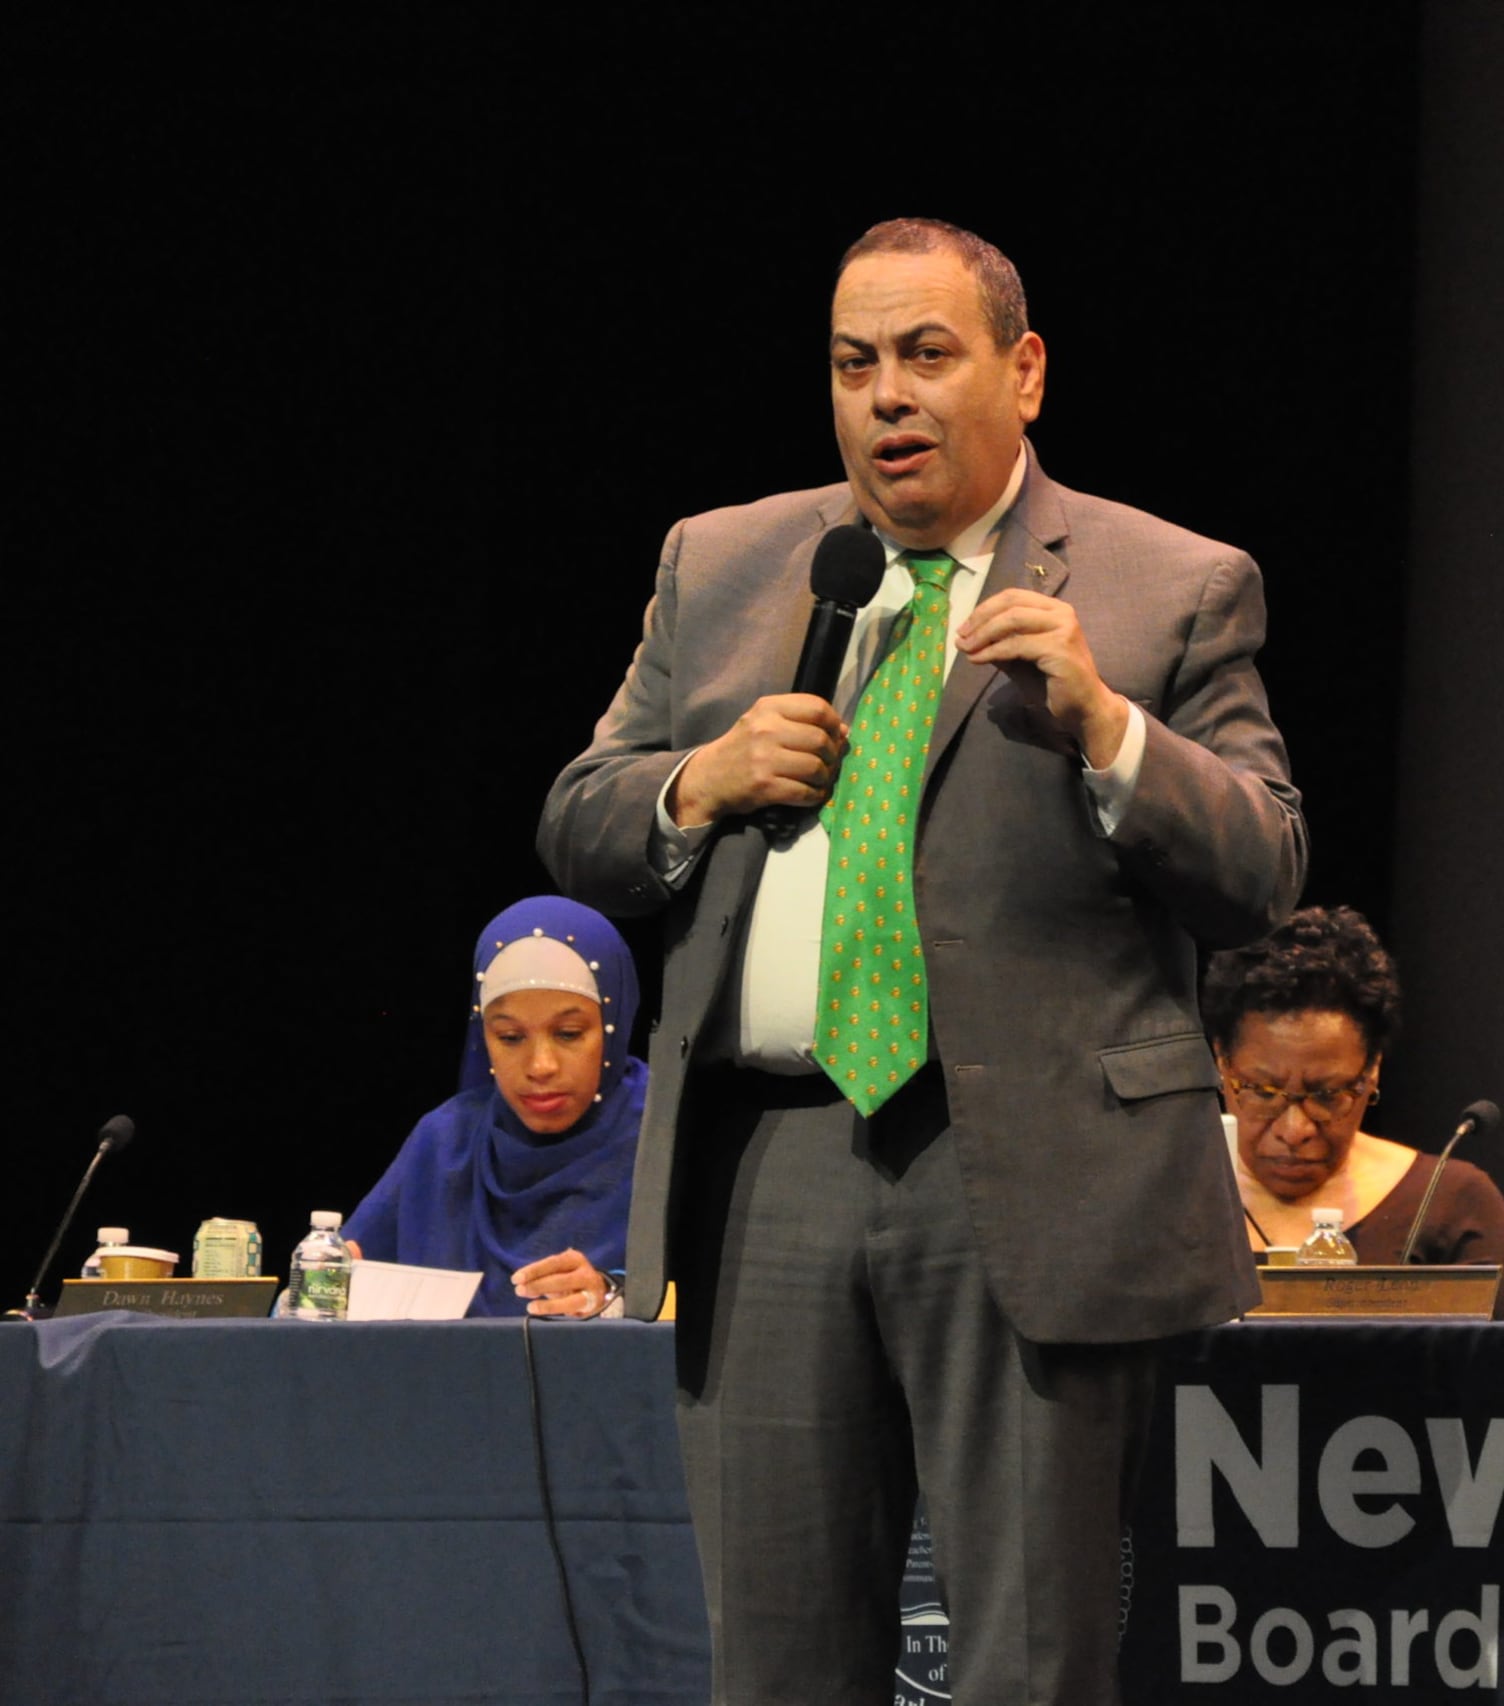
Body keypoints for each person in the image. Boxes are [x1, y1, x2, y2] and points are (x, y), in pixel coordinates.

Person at [536, 217, 1303, 1706]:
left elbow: (1264, 864)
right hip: (769, 1167)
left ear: (1024, 372)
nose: (886, 393)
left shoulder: (1171, 581)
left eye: (926, 354)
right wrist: (699, 781)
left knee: (1030, 1661)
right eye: (853, 362)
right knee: (776, 1666)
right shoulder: (724, 561)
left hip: (1030, 1175)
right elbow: (582, 815)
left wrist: (1108, 728)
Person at [1202, 906, 1504, 1321]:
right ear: (1220, 1060)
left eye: (1327, 1095)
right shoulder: (1161, 1202)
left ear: (1372, 1069)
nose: (1294, 1129)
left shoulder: (1449, 1201)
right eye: (1264, 1092)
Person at [343, 896, 643, 1320]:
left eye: (569, 1033)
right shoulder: (447, 1141)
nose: (540, 1066)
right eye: (510, 1038)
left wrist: (615, 1295)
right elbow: (331, 1284)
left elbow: (721, 1304)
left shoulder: (664, 1137)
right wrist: (323, 1289)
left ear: (613, 1024)